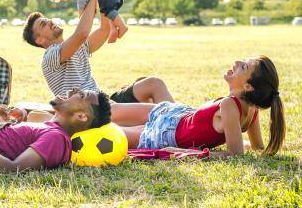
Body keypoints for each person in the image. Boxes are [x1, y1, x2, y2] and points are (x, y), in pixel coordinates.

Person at [23, 0, 172, 104]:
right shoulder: (50, 57)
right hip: (89, 110)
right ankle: (181, 126)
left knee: (153, 84)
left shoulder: (78, 47)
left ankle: (182, 122)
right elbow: (81, 33)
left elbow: (104, 30)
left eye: (47, 19)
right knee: (151, 101)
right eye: (44, 24)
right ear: (40, 40)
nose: (50, 22)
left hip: (104, 102)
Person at [110, 56, 285, 156]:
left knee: (111, 131)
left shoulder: (230, 106)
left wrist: (186, 153)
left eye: (244, 66)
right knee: (111, 110)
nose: (237, 62)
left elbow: (235, 154)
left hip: (166, 134)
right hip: (176, 114)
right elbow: (257, 147)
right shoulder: (251, 109)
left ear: (248, 87)